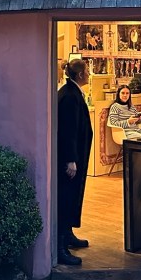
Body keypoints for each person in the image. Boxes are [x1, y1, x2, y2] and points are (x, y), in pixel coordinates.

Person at [57, 58, 93, 266]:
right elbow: (69, 129)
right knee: (66, 197)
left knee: (72, 196)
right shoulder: (70, 96)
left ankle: (68, 233)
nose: (89, 74)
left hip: (75, 156)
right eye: (87, 71)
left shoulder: (70, 92)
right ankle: (61, 246)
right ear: (80, 75)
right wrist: (71, 159)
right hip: (70, 159)